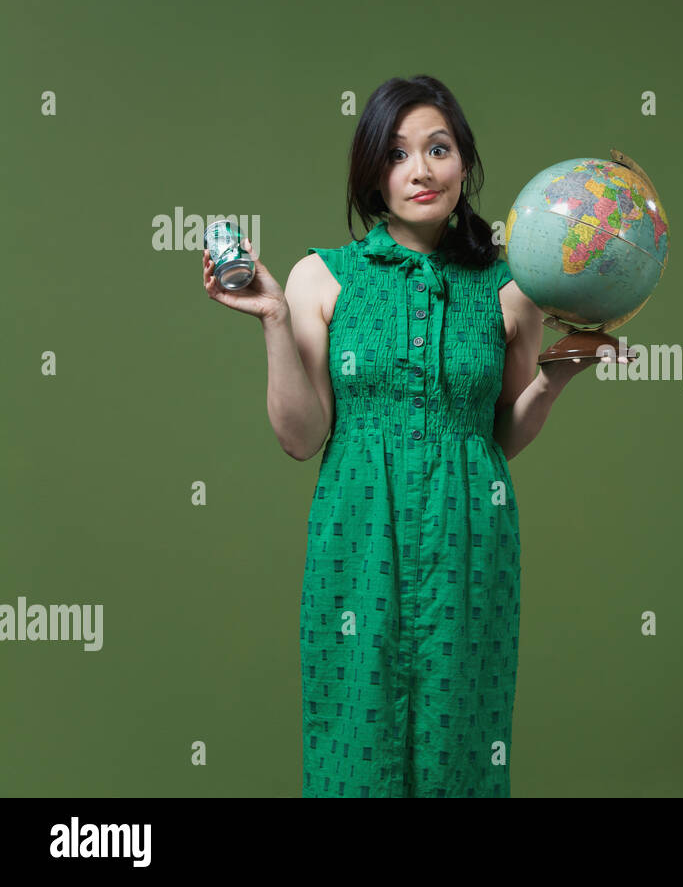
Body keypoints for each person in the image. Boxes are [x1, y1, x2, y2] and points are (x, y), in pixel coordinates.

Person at [202, 74, 622, 797]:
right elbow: (303, 438)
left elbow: (499, 436)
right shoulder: (319, 278)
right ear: (373, 173)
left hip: (471, 536)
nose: (420, 170)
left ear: (465, 163)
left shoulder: (510, 286)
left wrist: (554, 378)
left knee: (463, 738)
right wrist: (274, 317)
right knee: (354, 740)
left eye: (438, 148)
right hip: (357, 533)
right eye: (397, 155)